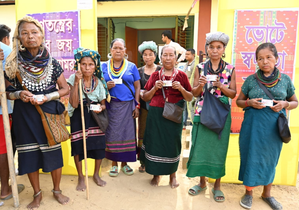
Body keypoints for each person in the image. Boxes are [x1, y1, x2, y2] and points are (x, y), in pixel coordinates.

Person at [4, 16, 69, 209]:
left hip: (48, 113)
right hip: (24, 115)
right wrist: (19, 93)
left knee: (53, 153)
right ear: (19, 38)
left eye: (34, 32)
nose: (30, 36)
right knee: (29, 154)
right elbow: (7, 91)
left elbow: (65, 89)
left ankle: (57, 190)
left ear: (41, 35)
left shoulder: (52, 62)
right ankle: (37, 194)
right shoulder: (12, 62)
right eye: (25, 33)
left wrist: (46, 97)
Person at [236, 43, 298, 210]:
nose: (264, 61)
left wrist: (285, 104)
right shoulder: (250, 80)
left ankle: (267, 194)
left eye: (269, 57)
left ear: (276, 59)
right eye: (260, 59)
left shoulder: (285, 80)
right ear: (256, 61)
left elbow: (295, 102)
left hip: (274, 129)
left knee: (270, 160)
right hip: (252, 127)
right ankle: (248, 193)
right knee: (251, 157)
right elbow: (239, 101)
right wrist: (249, 102)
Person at [186, 32, 236, 202]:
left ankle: (217, 186)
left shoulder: (230, 68)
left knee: (218, 150)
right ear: (207, 48)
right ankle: (201, 183)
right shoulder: (200, 68)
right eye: (211, 47)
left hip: (221, 115)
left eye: (218, 47)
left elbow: (233, 93)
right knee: (200, 148)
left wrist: (221, 85)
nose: (214, 50)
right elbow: (194, 93)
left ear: (223, 49)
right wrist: (200, 84)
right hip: (202, 112)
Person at [140, 45, 193, 188]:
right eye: (165, 55)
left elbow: (189, 97)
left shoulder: (181, 76)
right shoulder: (155, 76)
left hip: (174, 116)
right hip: (156, 115)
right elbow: (145, 97)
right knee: (155, 144)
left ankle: (172, 176)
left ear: (176, 58)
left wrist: (181, 89)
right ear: (160, 58)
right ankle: (156, 175)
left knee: (172, 145)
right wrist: (154, 88)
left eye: (171, 55)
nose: (168, 58)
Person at [68, 48, 108, 190]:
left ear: (95, 66)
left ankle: (96, 174)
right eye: (83, 64)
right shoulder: (73, 79)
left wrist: (100, 108)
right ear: (78, 65)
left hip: (94, 116)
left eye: (91, 64)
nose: (87, 67)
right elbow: (73, 103)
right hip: (79, 116)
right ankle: (80, 176)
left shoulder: (98, 81)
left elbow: (103, 105)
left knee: (98, 145)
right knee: (78, 146)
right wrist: (77, 82)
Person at [102, 38, 140, 177]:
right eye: (115, 48)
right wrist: (106, 86)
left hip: (128, 105)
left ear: (125, 51)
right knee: (112, 134)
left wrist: (137, 105)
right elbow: (98, 85)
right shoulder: (103, 66)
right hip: (111, 106)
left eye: (121, 48)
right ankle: (113, 164)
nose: (118, 50)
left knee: (127, 134)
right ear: (110, 50)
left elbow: (137, 86)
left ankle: (124, 163)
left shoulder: (132, 66)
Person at [0, 24, 25, 201]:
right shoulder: (6, 50)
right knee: (4, 148)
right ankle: (5, 190)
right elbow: (12, 79)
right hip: (3, 111)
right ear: (6, 38)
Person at [137, 41, 162, 173]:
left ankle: (155, 160)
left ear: (155, 55)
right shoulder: (139, 71)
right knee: (143, 133)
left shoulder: (160, 70)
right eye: (145, 55)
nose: (148, 57)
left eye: (150, 54)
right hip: (143, 108)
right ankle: (143, 162)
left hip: (158, 107)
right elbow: (136, 88)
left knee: (155, 133)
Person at [182, 48, 196, 127]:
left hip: (192, 89)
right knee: (184, 106)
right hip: (184, 89)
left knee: (191, 106)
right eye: (185, 54)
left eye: (188, 54)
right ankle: (184, 122)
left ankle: (192, 121)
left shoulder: (195, 65)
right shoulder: (186, 64)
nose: (186, 56)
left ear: (193, 55)